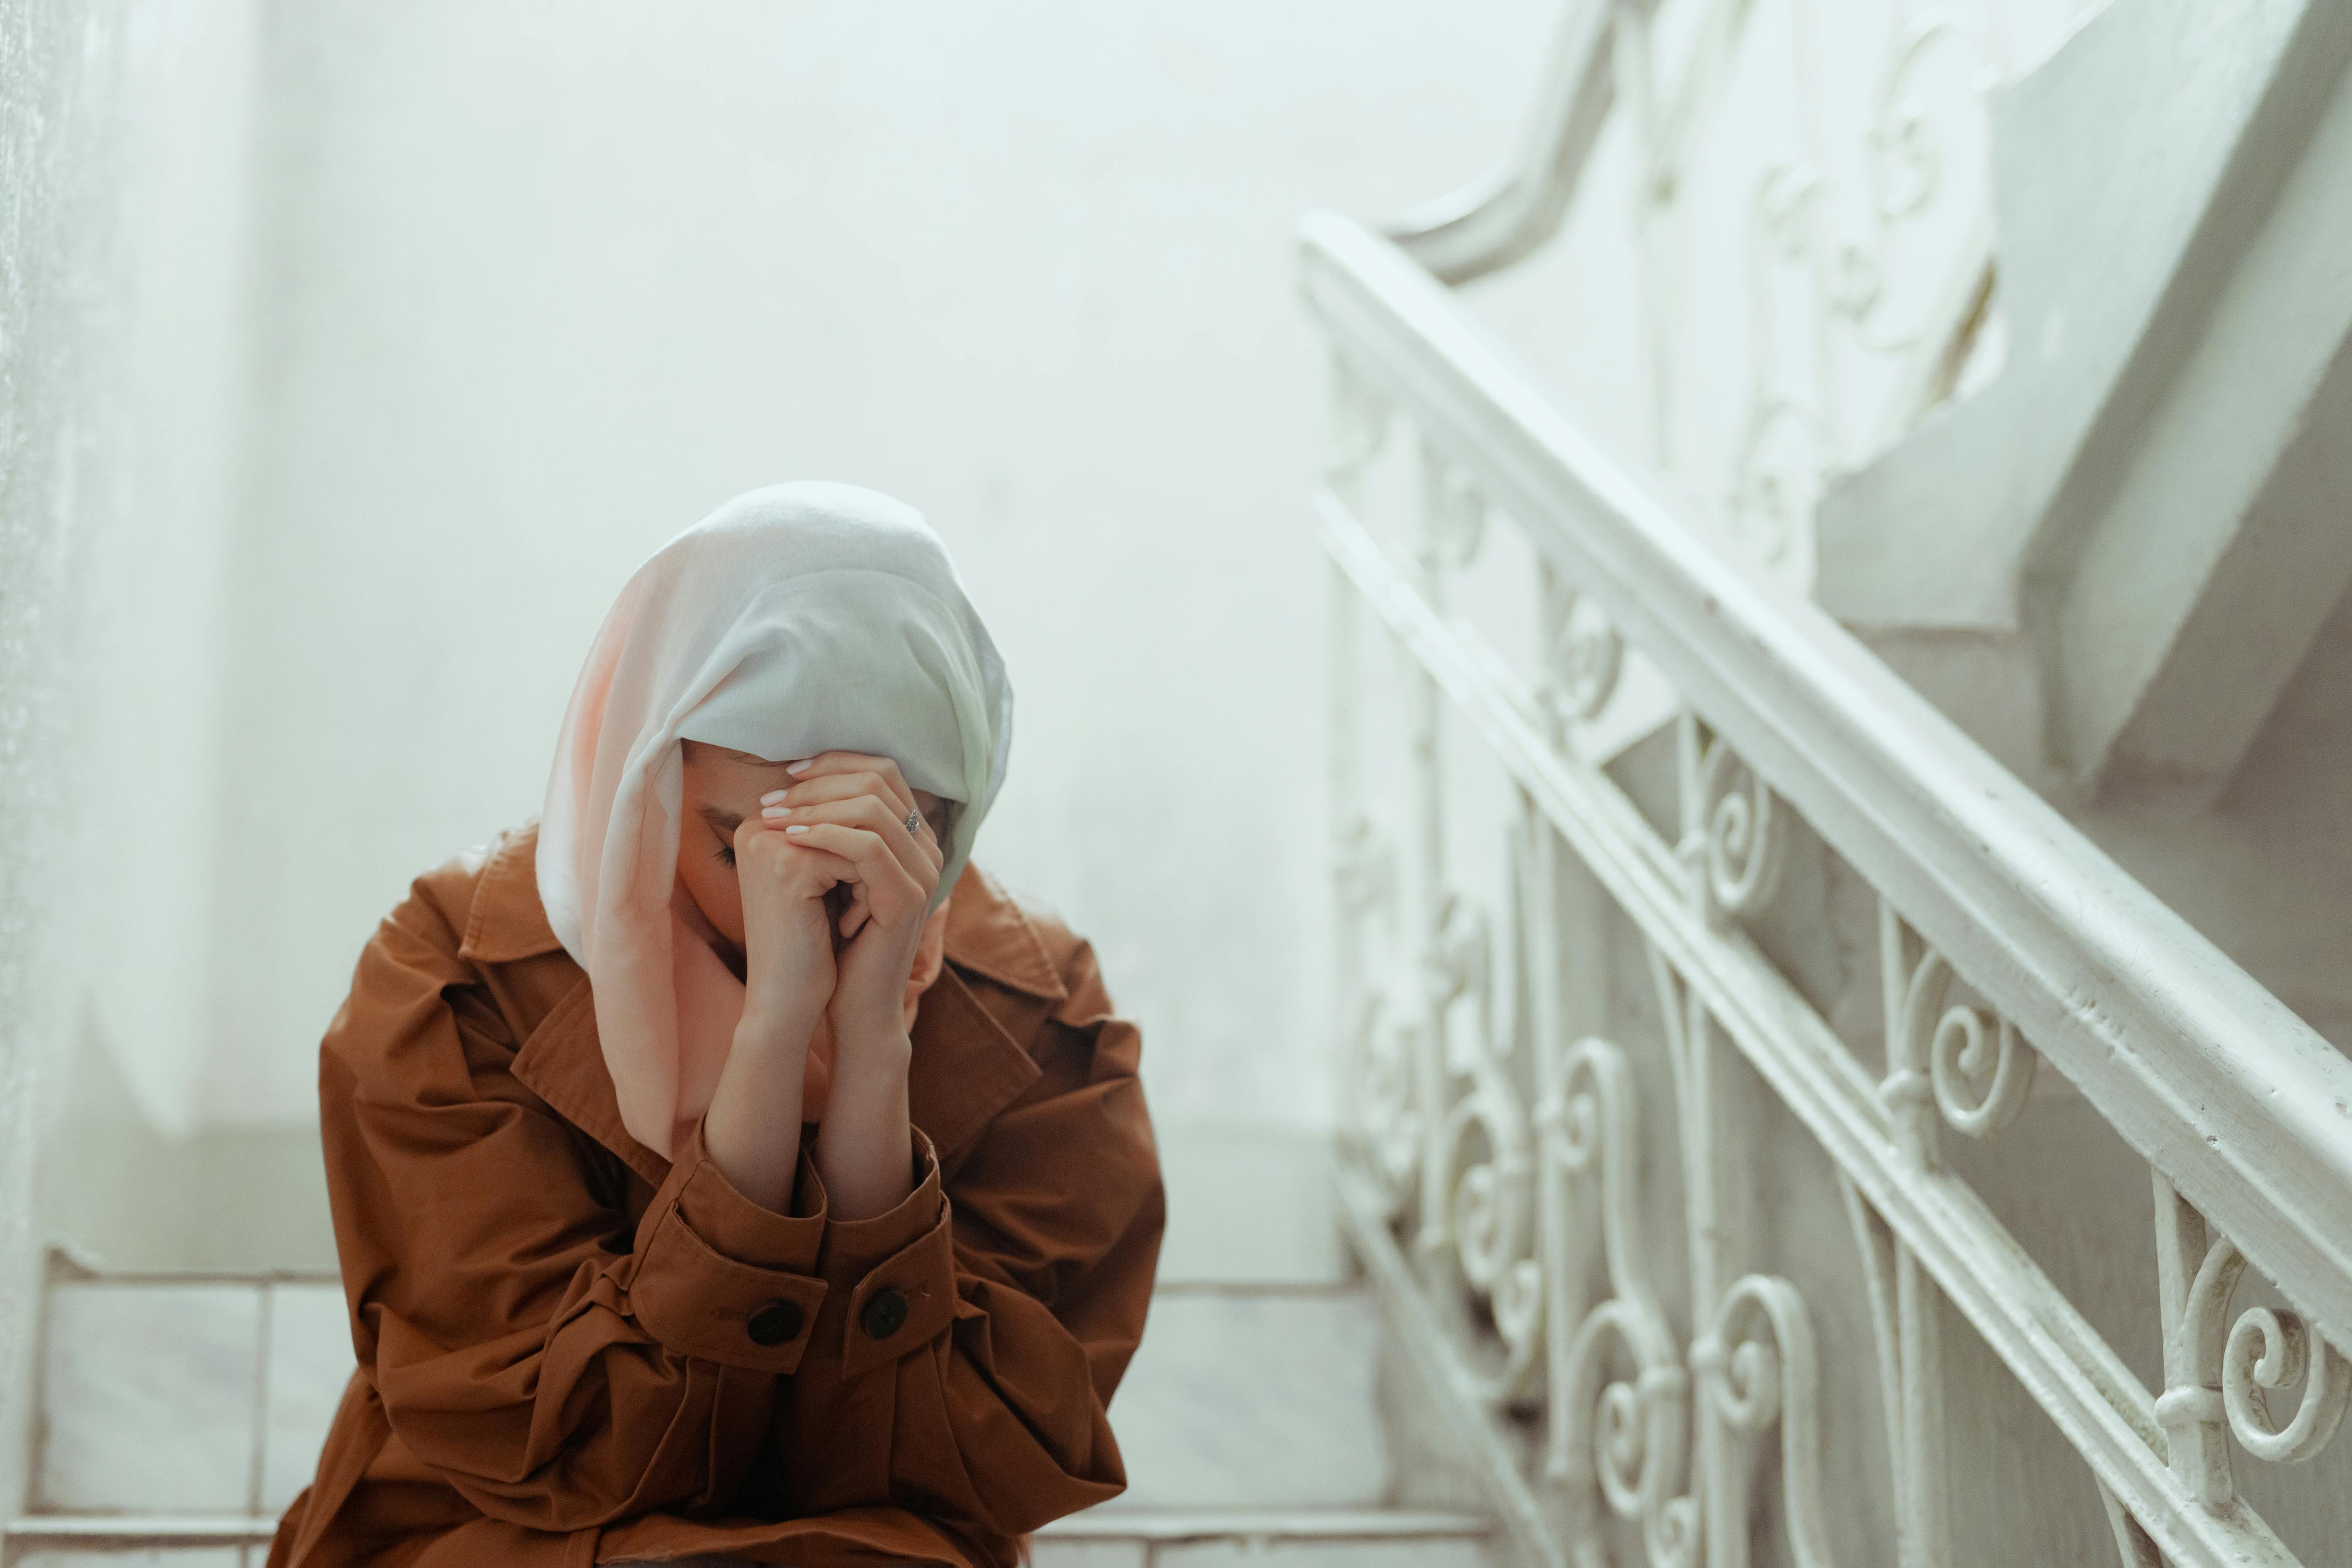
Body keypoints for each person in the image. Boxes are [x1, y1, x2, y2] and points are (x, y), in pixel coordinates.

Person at [266, 483, 1164, 1568]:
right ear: (640, 775)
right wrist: (773, 1035)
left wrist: (874, 1052)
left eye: (890, 836)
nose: (799, 890)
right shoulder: (454, 975)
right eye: (738, 838)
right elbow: (550, 1445)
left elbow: (972, 1462)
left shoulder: (1045, 1010)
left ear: (955, 819)